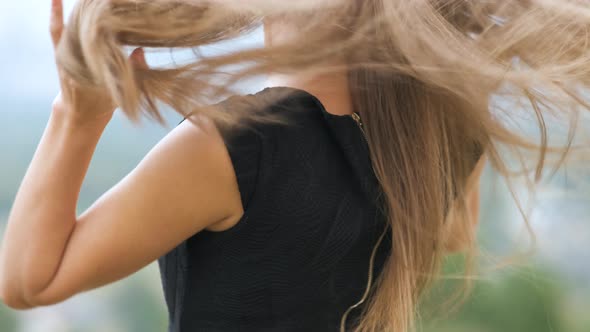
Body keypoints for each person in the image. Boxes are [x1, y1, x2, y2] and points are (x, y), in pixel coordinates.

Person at [0, 0, 586, 331]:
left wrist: (76, 113)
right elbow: (452, 232)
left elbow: (31, 280)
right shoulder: (436, 131)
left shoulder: (240, 146)